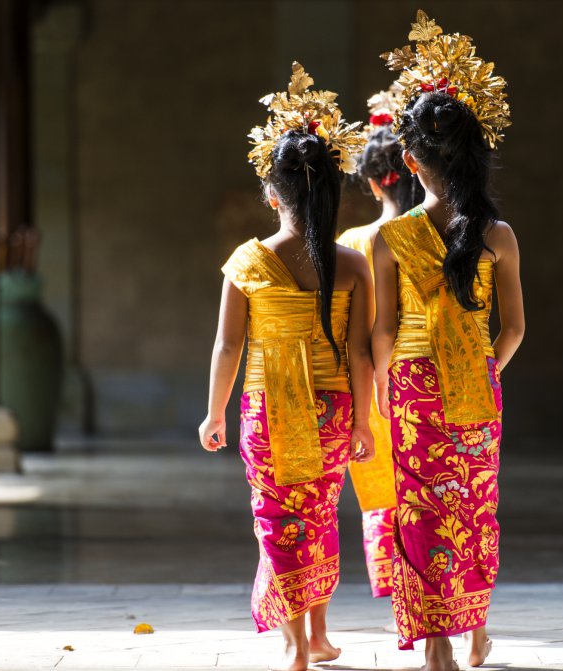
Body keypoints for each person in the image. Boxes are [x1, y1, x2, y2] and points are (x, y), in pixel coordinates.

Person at [198, 62, 373, 671]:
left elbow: (227, 347)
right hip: (332, 407)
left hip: (266, 406)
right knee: (319, 514)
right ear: (331, 194)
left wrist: (214, 411)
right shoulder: (351, 265)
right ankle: (318, 634)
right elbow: (359, 353)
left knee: (279, 518)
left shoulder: (245, 262)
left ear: (271, 194)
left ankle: (297, 644)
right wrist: (364, 423)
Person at [372, 12, 525, 671]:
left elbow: (380, 326)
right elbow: (514, 327)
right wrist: (488, 369)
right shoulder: (500, 235)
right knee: (472, 511)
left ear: (410, 160)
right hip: (476, 390)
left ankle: (437, 645)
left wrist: (382, 384)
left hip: (409, 389)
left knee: (420, 510)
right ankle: (473, 630)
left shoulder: (389, 238)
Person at [337, 87, 424, 602]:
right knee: (438, 491)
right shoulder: (437, 236)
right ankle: (446, 600)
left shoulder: (353, 244)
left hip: (370, 385)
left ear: (372, 182)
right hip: (430, 377)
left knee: (382, 496)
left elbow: (353, 333)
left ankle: (403, 602)